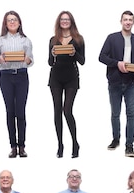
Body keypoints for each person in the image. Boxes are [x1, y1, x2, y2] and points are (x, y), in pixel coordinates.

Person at [99, 10, 134, 158]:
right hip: (115, 82)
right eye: (125, 19)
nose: (128, 22)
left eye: (130, 20)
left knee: (131, 114)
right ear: (121, 21)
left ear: (133, 22)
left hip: (132, 82)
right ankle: (116, 139)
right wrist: (116, 63)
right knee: (115, 113)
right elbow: (101, 57)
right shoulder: (112, 38)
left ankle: (129, 145)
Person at [0, 11, 34, 158]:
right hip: (6, 77)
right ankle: (13, 146)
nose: (12, 22)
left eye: (14, 20)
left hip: (22, 75)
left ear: (19, 22)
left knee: (21, 112)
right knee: (10, 111)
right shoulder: (0, 40)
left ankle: (22, 146)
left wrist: (28, 60)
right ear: (5, 23)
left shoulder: (25, 40)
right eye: (9, 20)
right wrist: (0, 60)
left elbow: (31, 60)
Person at [48, 11, 85, 159]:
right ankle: (60, 145)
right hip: (55, 77)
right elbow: (50, 62)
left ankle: (75, 143)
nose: (64, 22)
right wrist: (53, 54)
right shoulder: (53, 39)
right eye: (62, 19)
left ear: (71, 22)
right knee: (57, 110)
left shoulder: (78, 39)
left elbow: (82, 61)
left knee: (67, 110)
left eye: (67, 19)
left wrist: (74, 53)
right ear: (59, 22)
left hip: (71, 77)